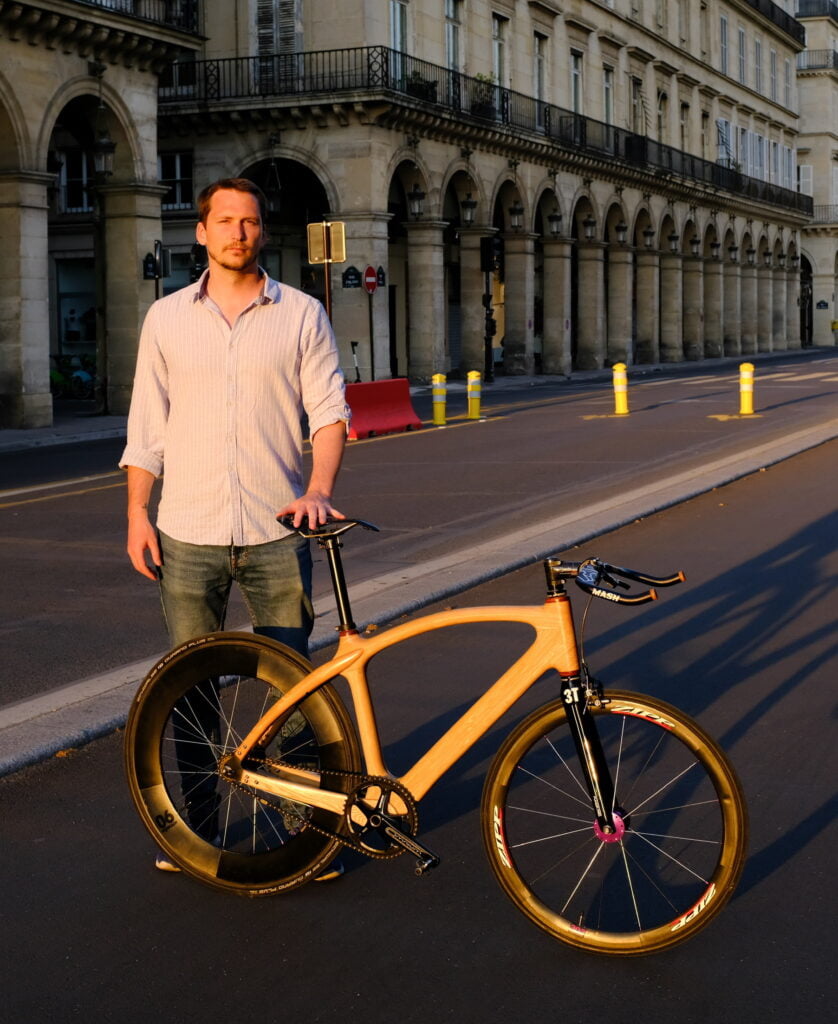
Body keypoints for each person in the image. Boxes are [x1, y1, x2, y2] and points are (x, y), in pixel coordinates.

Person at [120, 177, 350, 879]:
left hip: (279, 530)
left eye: (249, 221)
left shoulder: (302, 314)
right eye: (225, 221)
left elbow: (330, 414)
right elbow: (145, 429)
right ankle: (198, 834)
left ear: (262, 231)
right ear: (201, 232)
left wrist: (318, 489)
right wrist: (136, 511)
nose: (238, 233)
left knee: (294, 689)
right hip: (187, 531)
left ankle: (302, 832)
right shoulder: (165, 319)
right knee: (189, 691)